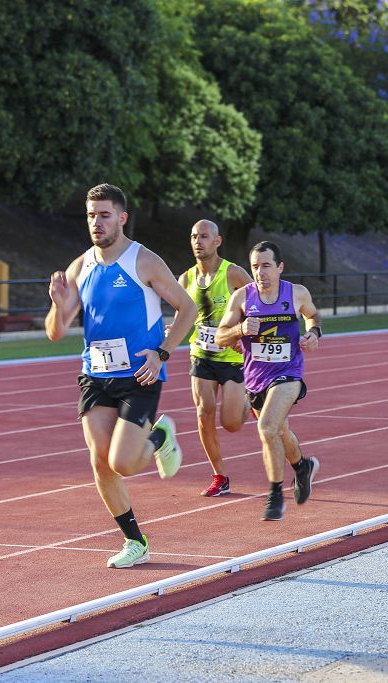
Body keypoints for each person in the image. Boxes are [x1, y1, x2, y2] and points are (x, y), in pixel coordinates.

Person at [45, 184, 196, 568]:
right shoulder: (81, 266)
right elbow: (56, 331)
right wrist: (58, 305)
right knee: (100, 462)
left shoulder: (143, 260)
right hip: (95, 373)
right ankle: (135, 541)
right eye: (92, 215)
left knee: (124, 463)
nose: (97, 222)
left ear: (122, 218)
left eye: (105, 214)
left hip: (139, 373)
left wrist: (162, 353)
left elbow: (187, 309)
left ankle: (159, 435)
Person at [216, 241, 322, 521]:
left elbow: (312, 315)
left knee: (267, 427)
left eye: (266, 266)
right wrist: (239, 329)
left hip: (288, 373)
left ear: (279, 268)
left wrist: (314, 334)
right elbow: (219, 336)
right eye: (255, 267)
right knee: (279, 431)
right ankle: (302, 467)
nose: (260, 272)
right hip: (255, 378)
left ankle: (275, 495)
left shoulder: (296, 293)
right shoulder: (241, 298)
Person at [178, 219, 252, 496]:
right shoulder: (185, 279)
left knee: (232, 423)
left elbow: (257, 305)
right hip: (201, 355)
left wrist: (241, 335)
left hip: (231, 357)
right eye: (194, 236)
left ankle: (249, 398)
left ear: (217, 241)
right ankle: (219, 475)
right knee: (203, 413)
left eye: (204, 236)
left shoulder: (233, 274)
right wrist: (174, 328)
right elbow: (182, 314)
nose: (198, 241)